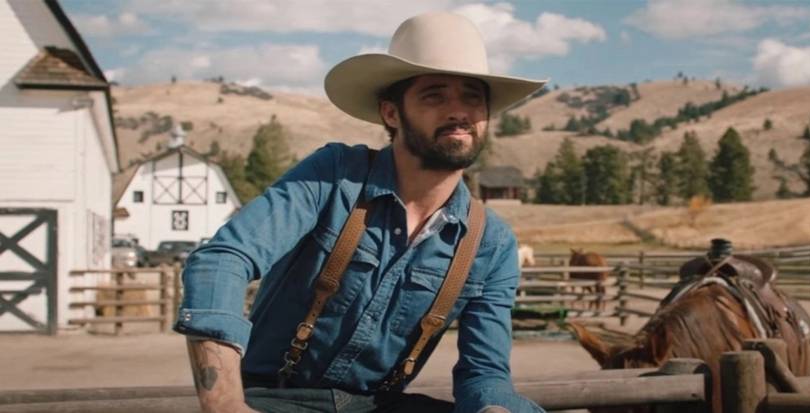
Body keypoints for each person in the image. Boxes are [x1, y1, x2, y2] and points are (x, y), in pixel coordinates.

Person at [174, 11, 546, 413]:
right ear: (391, 113)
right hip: (276, 399)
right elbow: (222, 259)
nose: (459, 112)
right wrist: (226, 404)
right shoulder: (334, 176)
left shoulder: (491, 243)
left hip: (376, 405)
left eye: (472, 97)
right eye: (434, 95)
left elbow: (484, 374)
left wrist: (494, 407)